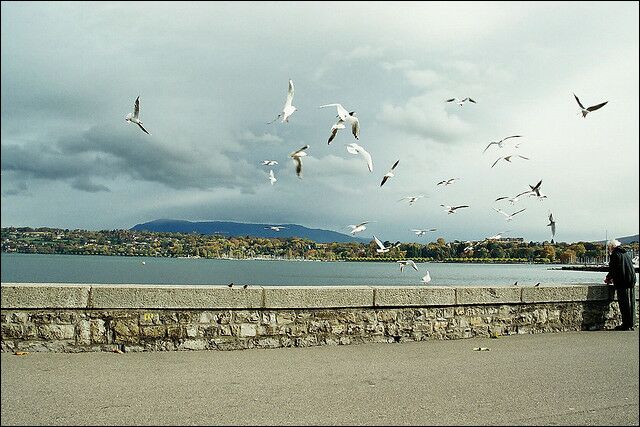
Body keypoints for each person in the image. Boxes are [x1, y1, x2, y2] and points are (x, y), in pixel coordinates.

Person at [604, 239, 637, 331]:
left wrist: (608, 278)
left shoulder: (615, 255)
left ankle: (626, 325)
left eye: (609, 247)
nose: (609, 250)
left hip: (622, 282)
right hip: (631, 280)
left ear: (612, 247)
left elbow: (613, 269)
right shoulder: (625, 254)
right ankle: (632, 324)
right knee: (631, 303)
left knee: (624, 304)